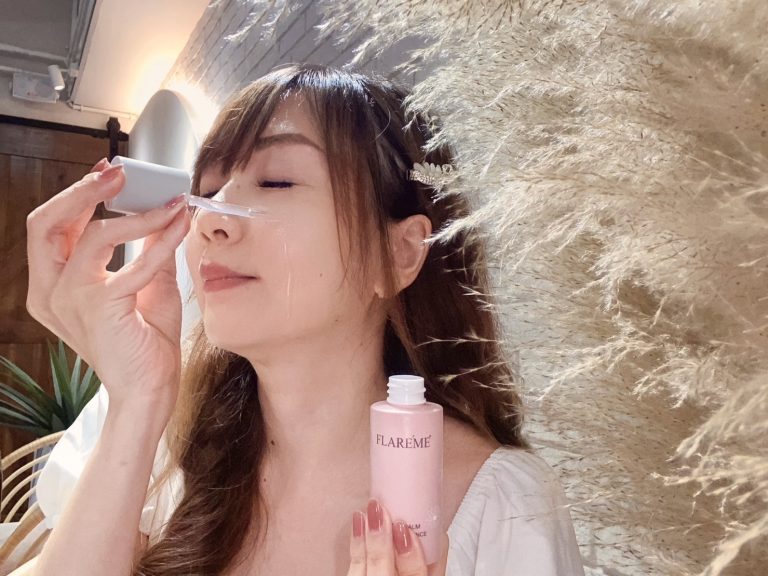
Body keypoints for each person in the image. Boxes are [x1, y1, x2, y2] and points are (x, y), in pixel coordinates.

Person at [17, 64, 584, 575]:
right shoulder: (170, 451)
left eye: (277, 180)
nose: (211, 221)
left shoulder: (503, 508)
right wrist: (137, 401)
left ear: (400, 253)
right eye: (207, 191)